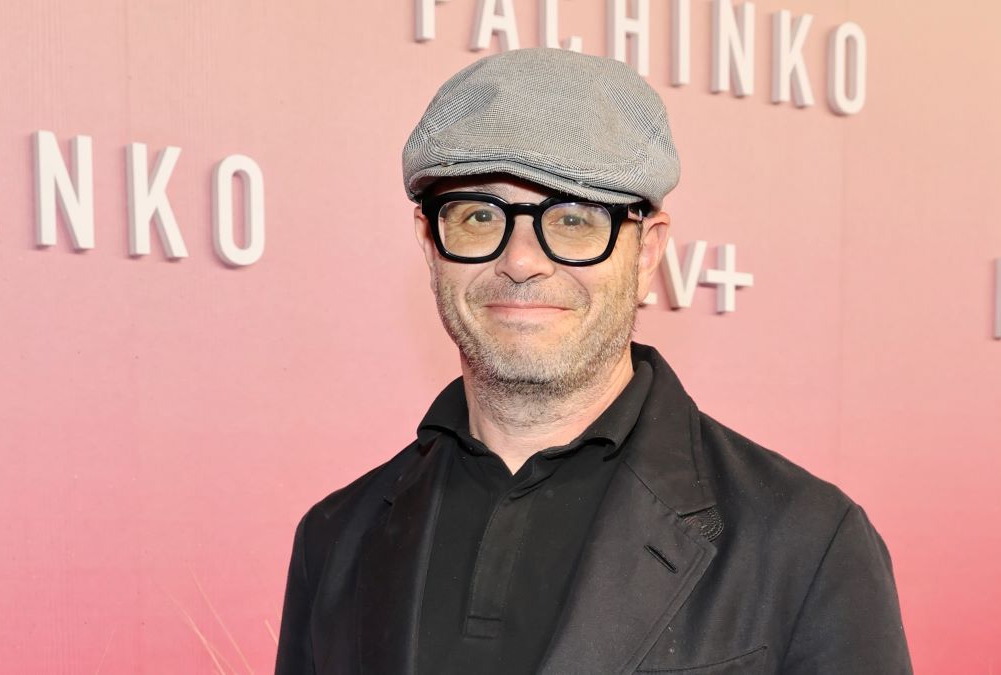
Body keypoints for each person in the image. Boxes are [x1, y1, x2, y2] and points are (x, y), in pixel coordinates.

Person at [274, 47, 912, 675]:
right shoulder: (335, 539)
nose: (521, 260)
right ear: (429, 243)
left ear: (646, 253)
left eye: (575, 219)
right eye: (476, 215)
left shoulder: (806, 542)